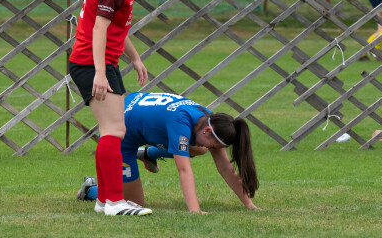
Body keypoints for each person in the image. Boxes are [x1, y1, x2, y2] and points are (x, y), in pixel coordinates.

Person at [68, 0, 157, 216]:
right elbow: (99, 29)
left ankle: (105, 201)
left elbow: (116, 28)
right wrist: (99, 73)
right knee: (114, 130)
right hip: (92, 63)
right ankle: (114, 202)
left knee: (114, 131)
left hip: (103, 63)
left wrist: (135, 58)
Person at [76, 92, 259, 214]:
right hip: (120, 132)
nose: (213, 150)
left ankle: (149, 154)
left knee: (199, 149)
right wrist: (195, 211)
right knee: (134, 202)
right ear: (208, 131)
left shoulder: (209, 119)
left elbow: (226, 169)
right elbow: (184, 170)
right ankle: (91, 190)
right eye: (214, 146)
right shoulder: (181, 123)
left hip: (135, 107)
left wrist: (249, 204)